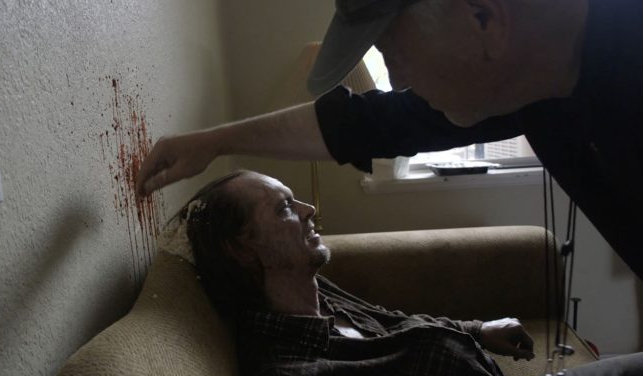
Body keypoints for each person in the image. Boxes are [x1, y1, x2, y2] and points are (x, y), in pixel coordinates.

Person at [137, 0, 643, 280]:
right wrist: (216, 141)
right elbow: (368, 123)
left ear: (484, 20)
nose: (396, 79)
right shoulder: (525, 85)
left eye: (391, 51)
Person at [168, 169, 643, 376]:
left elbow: (391, 319)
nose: (311, 210)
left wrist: (476, 329)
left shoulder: (311, 293)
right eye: (285, 208)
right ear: (243, 247)